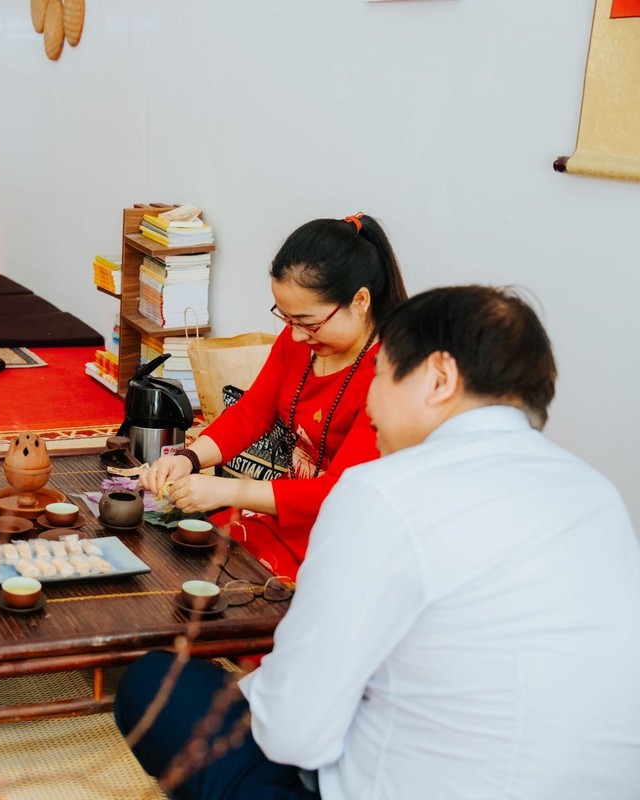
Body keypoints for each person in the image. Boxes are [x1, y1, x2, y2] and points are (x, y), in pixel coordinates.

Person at [115, 285, 640, 799]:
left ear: (438, 378)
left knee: (157, 686)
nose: (370, 403)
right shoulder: (597, 496)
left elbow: (293, 733)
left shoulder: (383, 492)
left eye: (383, 376)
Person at [140, 213, 407, 577]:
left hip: (348, 531)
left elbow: (338, 494)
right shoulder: (302, 341)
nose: (295, 336)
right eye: (286, 319)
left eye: (309, 323)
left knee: (233, 575)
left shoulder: (392, 378)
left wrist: (228, 492)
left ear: (360, 301)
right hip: (288, 508)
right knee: (186, 546)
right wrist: (189, 458)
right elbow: (253, 412)